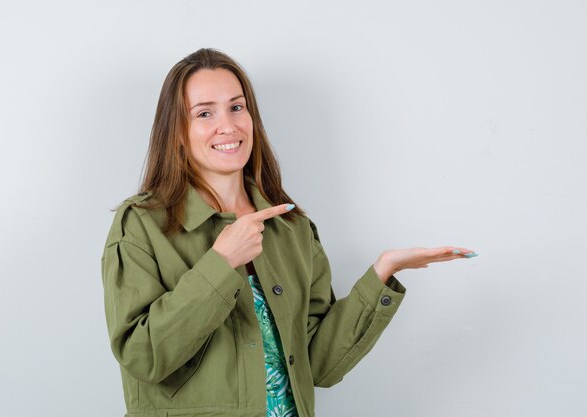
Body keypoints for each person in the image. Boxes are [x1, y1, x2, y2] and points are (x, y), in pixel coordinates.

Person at [100, 47, 477, 417]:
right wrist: (220, 262)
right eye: (204, 113)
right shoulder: (142, 224)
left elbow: (320, 366)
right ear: (178, 132)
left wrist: (382, 274)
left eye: (237, 107)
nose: (228, 126)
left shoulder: (290, 228)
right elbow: (142, 357)